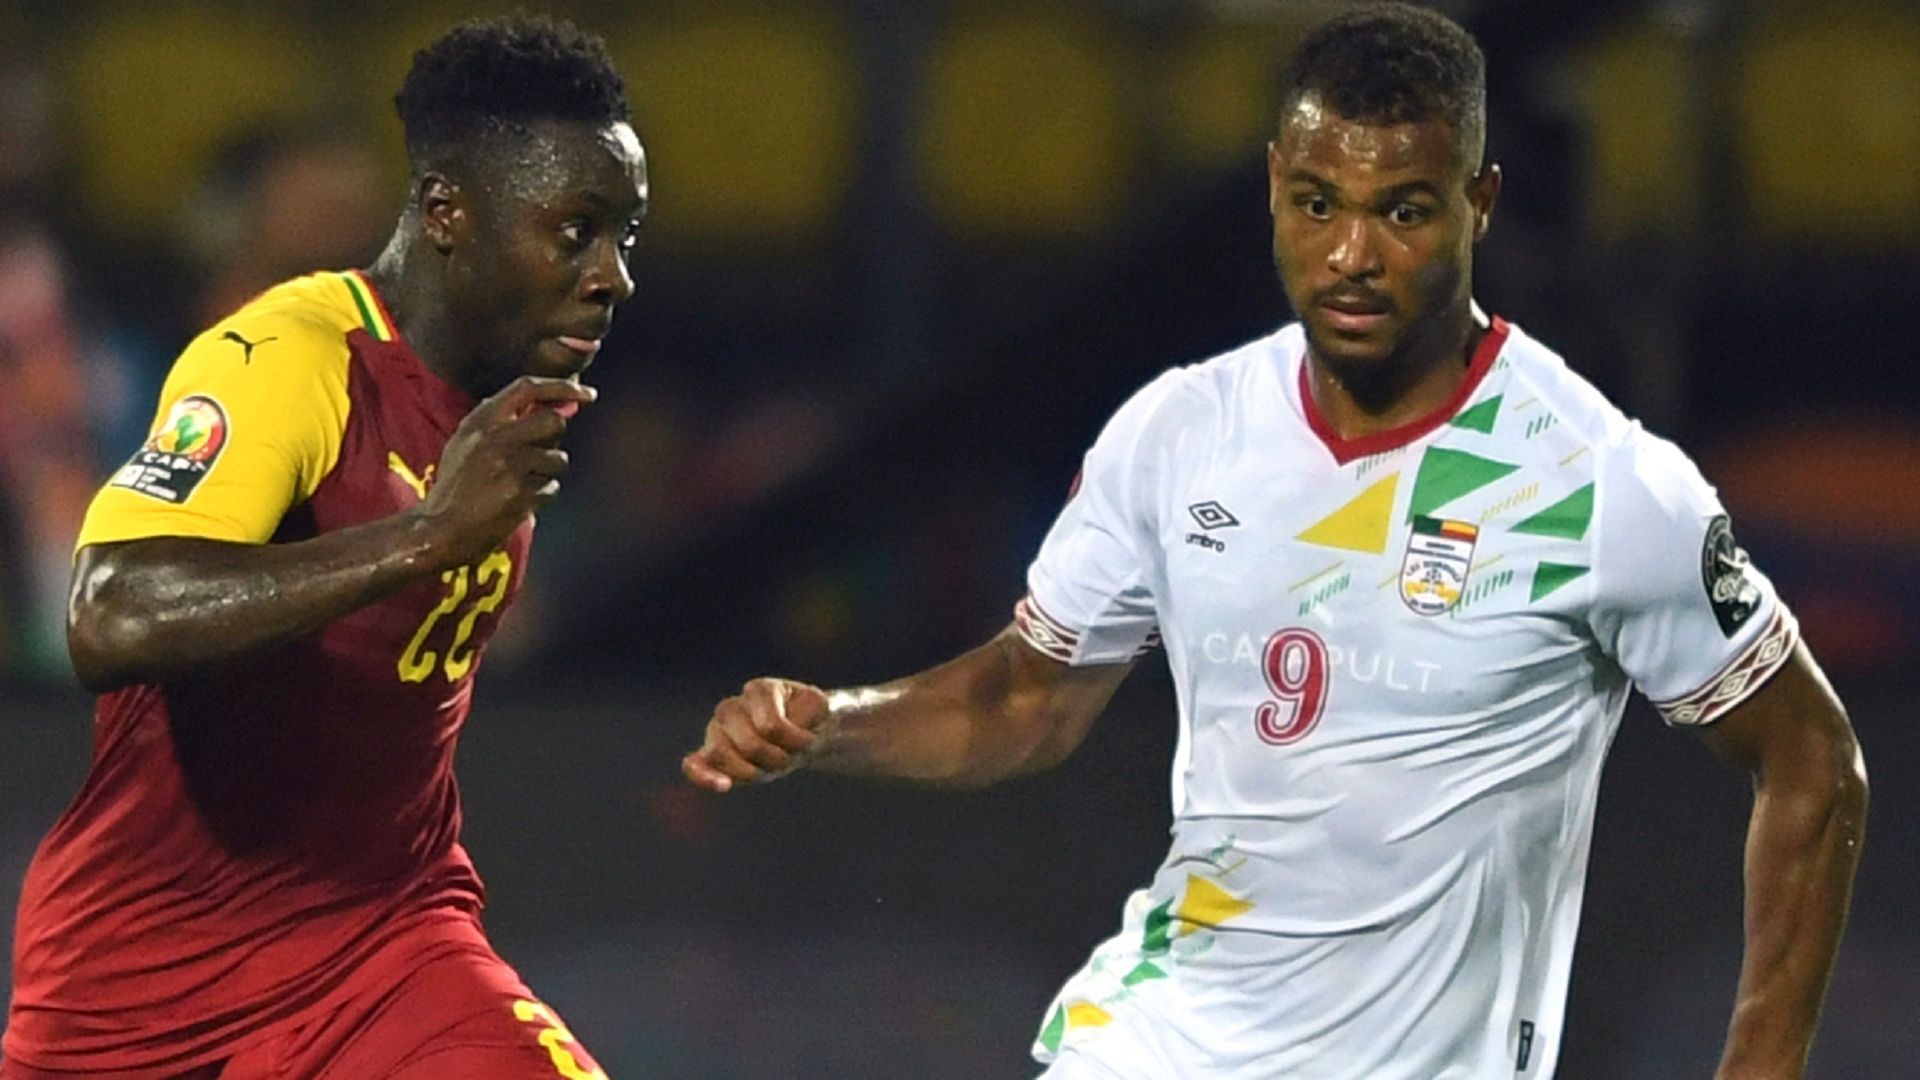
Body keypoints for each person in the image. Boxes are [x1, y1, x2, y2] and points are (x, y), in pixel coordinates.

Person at [682, 5, 1866, 1078]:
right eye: (1318, 204)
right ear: (1272, 188)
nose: (1352, 255)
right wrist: (830, 723)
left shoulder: (1598, 484)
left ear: (1479, 203)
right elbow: (1020, 699)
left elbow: (1814, 765)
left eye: (1402, 211)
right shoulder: (1181, 430)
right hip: (1158, 1045)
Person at [5, 16, 645, 1079]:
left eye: (627, 234)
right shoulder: (287, 357)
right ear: (449, 212)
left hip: (385, 946)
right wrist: (429, 534)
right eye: (575, 230)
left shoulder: (498, 406)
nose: (612, 273)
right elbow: (111, 612)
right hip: (142, 987)